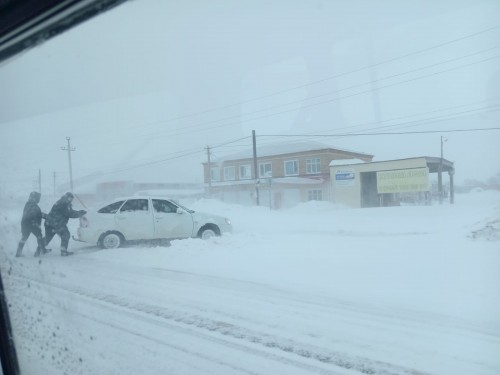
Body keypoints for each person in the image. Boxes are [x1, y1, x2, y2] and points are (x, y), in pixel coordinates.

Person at [44, 192, 86, 256]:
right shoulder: (64, 203)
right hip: (57, 223)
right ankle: (63, 252)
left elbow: (69, 211)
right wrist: (80, 213)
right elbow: (70, 213)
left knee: (48, 237)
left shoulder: (61, 202)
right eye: (69, 198)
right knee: (66, 235)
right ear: (66, 197)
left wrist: (79, 212)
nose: (70, 200)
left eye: (71, 199)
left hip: (50, 223)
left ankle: (39, 249)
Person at [16, 191, 51, 257]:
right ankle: (42, 251)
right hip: (33, 224)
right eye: (38, 198)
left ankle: (18, 252)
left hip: (25, 224)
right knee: (39, 237)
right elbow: (38, 214)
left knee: (24, 238)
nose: (39, 199)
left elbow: (37, 213)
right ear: (35, 198)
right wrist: (47, 216)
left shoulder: (28, 204)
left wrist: (44, 216)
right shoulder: (33, 205)